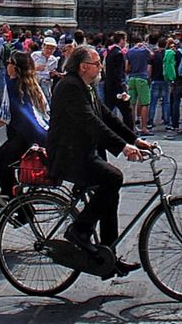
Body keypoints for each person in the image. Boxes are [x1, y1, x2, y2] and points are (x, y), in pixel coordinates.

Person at [47, 45, 151, 276]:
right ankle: (79, 230)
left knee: (110, 194)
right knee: (113, 178)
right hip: (69, 156)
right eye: (97, 64)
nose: (101, 68)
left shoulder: (87, 87)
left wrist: (135, 139)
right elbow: (89, 122)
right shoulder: (70, 87)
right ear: (84, 67)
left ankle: (108, 255)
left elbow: (106, 117)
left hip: (84, 152)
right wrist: (123, 147)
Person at [0, 52, 49, 196]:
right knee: (7, 162)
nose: (6, 65)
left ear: (15, 68)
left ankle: (16, 203)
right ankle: (14, 198)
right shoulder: (34, 85)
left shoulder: (11, 86)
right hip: (39, 136)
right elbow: (43, 111)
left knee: (0, 165)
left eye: (9, 62)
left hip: (22, 136)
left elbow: (4, 117)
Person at [125, 36, 152, 133]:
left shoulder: (129, 52)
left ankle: (132, 126)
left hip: (131, 78)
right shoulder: (144, 51)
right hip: (142, 78)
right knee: (145, 103)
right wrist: (145, 47)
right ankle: (144, 127)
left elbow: (126, 68)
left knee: (132, 103)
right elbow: (152, 55)